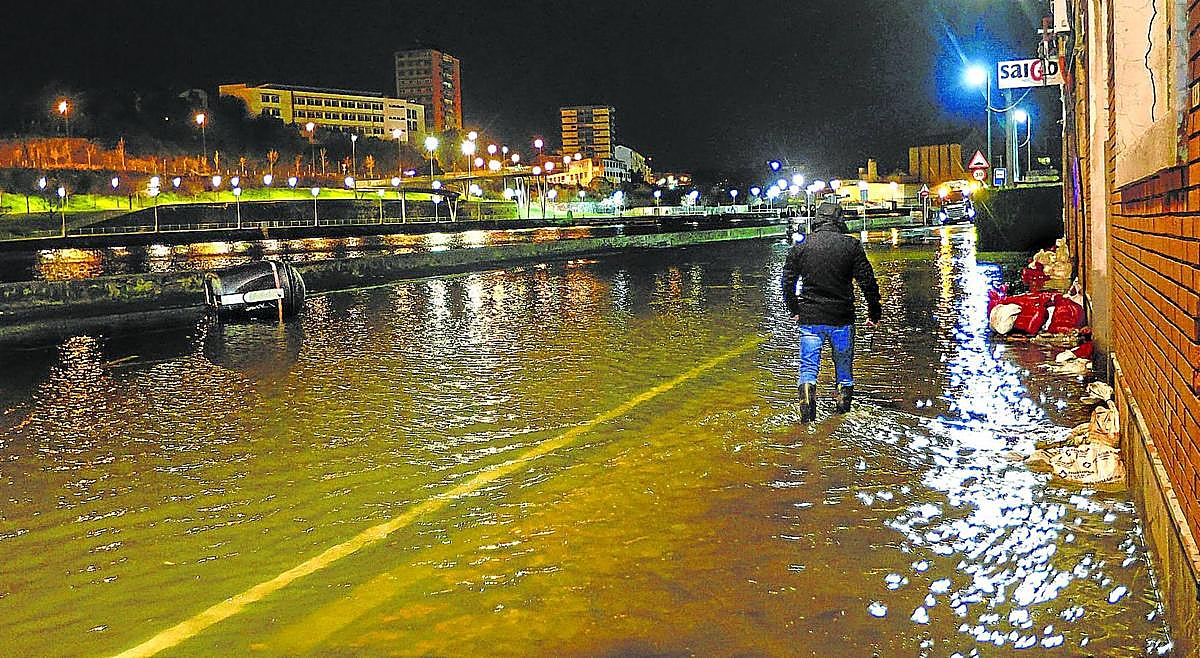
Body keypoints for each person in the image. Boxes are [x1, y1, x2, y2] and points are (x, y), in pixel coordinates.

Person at [781, 201, 882, 421]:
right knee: (844, 369)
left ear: (817, 219)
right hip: (842, 318)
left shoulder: (801, 246)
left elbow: (787, 282)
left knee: (808, 368)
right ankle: (842, 416)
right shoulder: (851, 246)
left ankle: (807, 414)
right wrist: (874, 313)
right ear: (840, 220)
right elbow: (868, 282)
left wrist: (794, 309)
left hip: (810, 318)